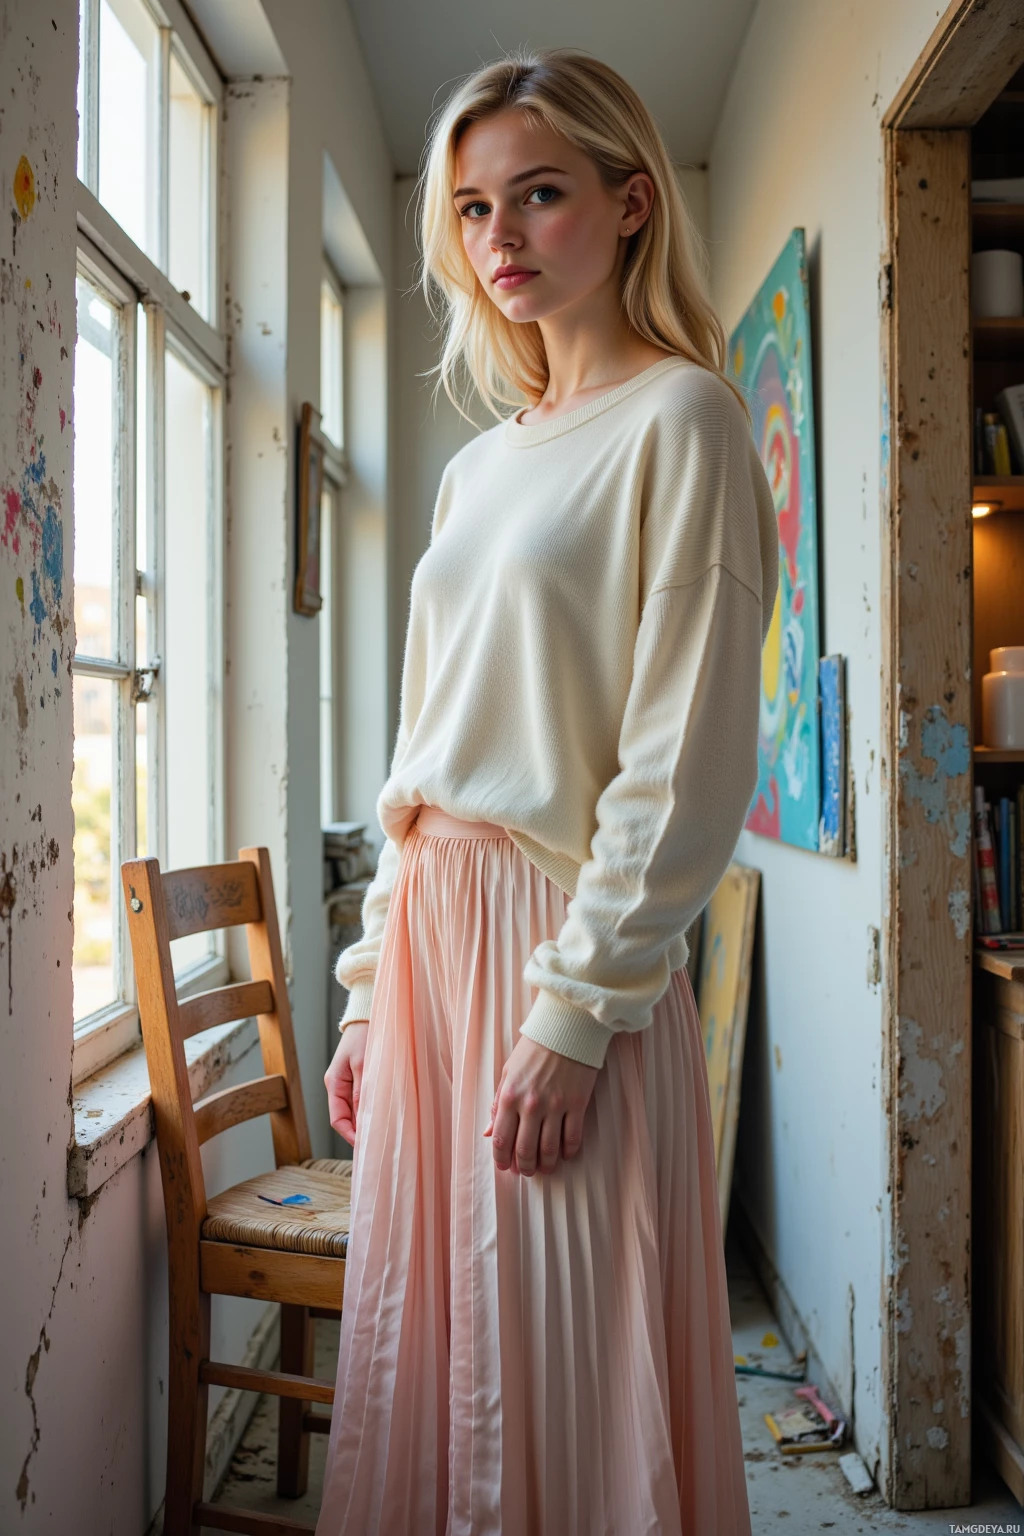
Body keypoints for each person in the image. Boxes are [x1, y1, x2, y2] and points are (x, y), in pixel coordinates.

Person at [316, 47, 778, 1536]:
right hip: (437, 943)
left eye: (540, 196)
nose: (498, 237)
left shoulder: (685, 421)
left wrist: (576, 1014)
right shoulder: (474, 471)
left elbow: (682, 761)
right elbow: (421, 761)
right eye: (469, 208)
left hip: (551, 946)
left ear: (633, 204)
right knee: (428, 1352)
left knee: (562, 1367)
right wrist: (372, 989)